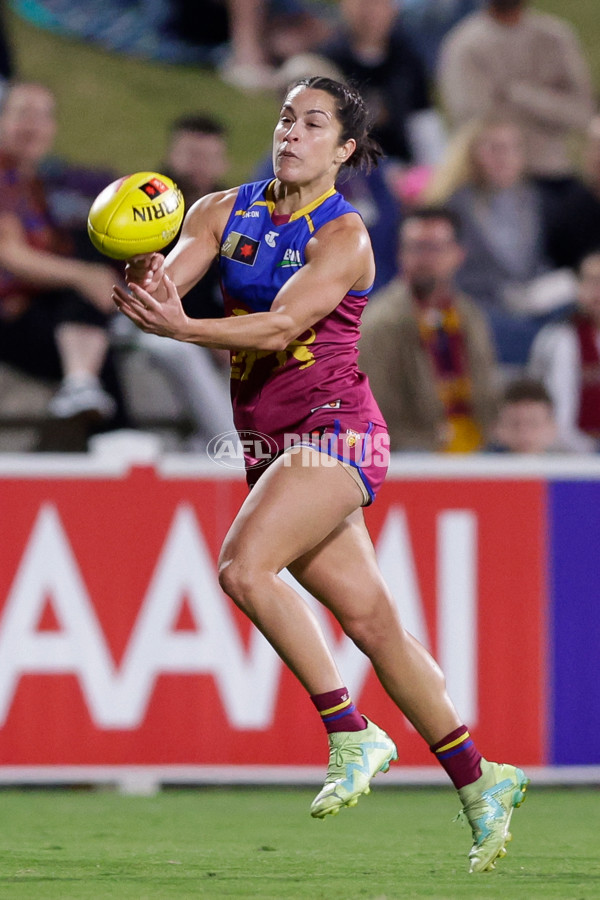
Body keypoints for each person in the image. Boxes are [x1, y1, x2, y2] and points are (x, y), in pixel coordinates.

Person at [112, 76, 529, 873]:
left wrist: (180, 325)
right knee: (375, 625)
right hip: (268, 442)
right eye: (284, 118)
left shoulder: (345, 238)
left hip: (339, 431)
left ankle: (349, 731)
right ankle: (484, 781)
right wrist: (143, 272)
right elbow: (175, 277)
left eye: (312, 124)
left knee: (244, 567)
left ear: (342, 150)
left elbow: (275, 328)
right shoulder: (219, 211)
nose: (290, 133)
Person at [0, 81, 125, 431]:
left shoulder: (33, 182)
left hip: (34, 308)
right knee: (88, 284)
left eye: (43, 117)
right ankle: (112, 432)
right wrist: (84, 276)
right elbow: (10, 254)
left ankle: (85, 392)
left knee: (91, 291)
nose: (33, 125)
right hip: (10, 316)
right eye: (23, 114)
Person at [424, 117, 576, 367]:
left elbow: (535, 261)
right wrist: (507, 295)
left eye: (513, 148)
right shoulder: (453, 208)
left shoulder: (533, 199)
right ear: (473, 154)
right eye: (495, 148)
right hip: (482, 308)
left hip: (532, 302)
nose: (505, 157)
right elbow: (450, 277)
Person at [359, 207, 498, 452]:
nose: (423, 258)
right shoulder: (380, 323)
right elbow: (372, 417)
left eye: (434, 248)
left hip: (477, 451)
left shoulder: (470, 315)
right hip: (413, 457)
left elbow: (487, 393)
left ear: (458, 254)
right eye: (414, 248)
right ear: (400, 254)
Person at [437, 0, 594, 190]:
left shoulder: (554, 36)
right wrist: (551, 102)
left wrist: (519, 94)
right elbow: (474, 124)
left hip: (556, 172)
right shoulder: (466, 45)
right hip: (496, 183)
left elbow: (582, 113)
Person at [317, 0, 446, 167]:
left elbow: (423, 119)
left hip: (407, 165)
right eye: (364, 5)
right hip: (350, 168)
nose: (372, 13)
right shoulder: (328, 62)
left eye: (379, 4)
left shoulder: (407, 57)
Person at [528, 251, 600, 454]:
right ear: (578, 288)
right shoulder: (555, 339)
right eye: (591, 281)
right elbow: (546, 406)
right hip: (568, 454)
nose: (598, 290)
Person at [487, 377, 559, 453]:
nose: (524, 432)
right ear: (495, 428)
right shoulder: (475, 462)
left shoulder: (570, 463)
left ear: (552, 428)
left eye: (533, 423)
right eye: (514, 423)